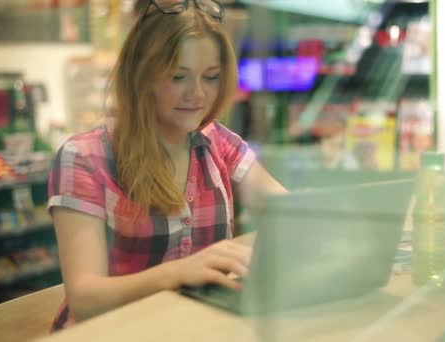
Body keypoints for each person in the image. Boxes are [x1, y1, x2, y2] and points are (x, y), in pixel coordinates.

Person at [48, 0, 287, 331]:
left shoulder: (218, 141)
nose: (198, 93)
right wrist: (179, 273)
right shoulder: (85, 158)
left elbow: (289, 210)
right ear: (142, 74)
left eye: (211, 77)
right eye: (179, 76)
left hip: (191, 328)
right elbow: (85, 299)